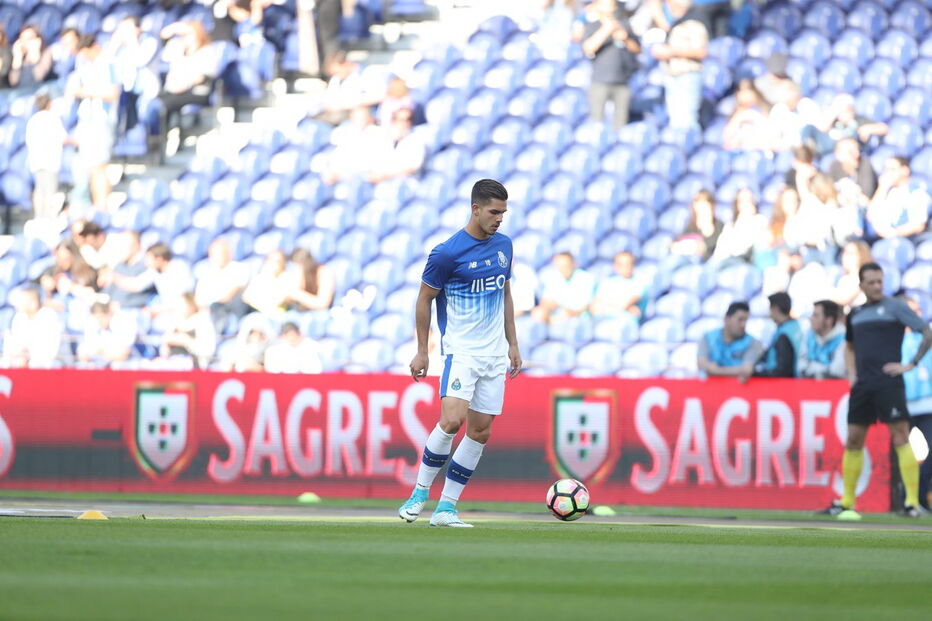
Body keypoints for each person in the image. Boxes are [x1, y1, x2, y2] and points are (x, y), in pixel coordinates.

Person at [399, 179, 522, 528]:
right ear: (476, 209)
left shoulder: (504, 246)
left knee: (480, 432)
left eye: (503, 213)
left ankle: (446, 508)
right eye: (494, 212)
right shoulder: (447, 254)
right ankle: (420, 493)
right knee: (452, 420)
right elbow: (424, 299)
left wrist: (513, 343)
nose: (499, 219)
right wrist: (422, 351)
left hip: (494, 355)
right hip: (462, 351)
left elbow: (505, 293)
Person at [820, 263, 932, 518]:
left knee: (901, 437)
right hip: (863, 386)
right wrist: (852, 375)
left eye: (880, 281)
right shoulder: (856, 313)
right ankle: (847, 502)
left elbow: (927, 333)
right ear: (861, 285)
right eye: (871, 282)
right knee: (853, 439)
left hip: (888, 383)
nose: (877, 286)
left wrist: (910, 364)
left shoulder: (895, 307)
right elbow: (849, 347)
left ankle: (911, 503)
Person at [66, 35, 120, 213]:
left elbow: (112, 94)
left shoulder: (108, 64)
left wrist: (84, 91)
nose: (85, 57)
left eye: (86, 53)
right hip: (88, 120)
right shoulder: (89, 67)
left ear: (94, 47)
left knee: (99, 166)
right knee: (91, 167)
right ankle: (97, 206)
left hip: (101, 120)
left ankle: (102, 207)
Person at [572, 0, 640, 130]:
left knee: (621, 124)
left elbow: (637, 49)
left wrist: (625, 38)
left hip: (623, 80)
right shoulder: (593, 24)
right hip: (600, 80)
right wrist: (607, 29)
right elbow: (588, 48)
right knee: (597, 123)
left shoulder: (624, 23)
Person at [896, 292, 932, 510]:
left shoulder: (927, 336)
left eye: (918, 311)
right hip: (903, 404)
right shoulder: (893, 339)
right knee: (901, 452)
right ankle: (905, 501)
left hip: (928, 404)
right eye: (912, 311)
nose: (917, 315)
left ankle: (918, 495)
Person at [652, 0, 708, 129]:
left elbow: (702, 52)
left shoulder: (694, 23)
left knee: (687, 120)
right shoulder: (675, 24)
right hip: (673, 76)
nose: (669, 9)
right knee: (676, 121)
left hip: (687, 76)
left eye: (672, 6)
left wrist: (671, 51)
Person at [801, 93, 888, 157]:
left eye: (846, 109)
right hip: (824, 151)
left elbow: (884, 128)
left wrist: (868, 128)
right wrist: (833, 113)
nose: (843, 112)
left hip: (846, 155)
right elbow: (822, 127)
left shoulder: (859, 121)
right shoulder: (833, 121)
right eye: (840, 109)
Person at [195, 238, 251, 334]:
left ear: (229, 254)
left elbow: (230, 295)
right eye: (215, 254)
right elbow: (199, 300)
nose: (218, 257)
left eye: (221, 253)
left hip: (231, 312)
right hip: (209, 313)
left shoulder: (240, 269)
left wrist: (212, 301)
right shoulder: (206, 274)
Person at [866, 156, 930, 240]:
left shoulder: (916, 193)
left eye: (892, 169)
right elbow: (870, 216)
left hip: (906, 240)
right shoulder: (886, 192)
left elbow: (918, 225)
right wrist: (881, 188)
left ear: (905, 171)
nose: (887, 174)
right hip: (882, 239)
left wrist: (894, 233)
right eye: (886, 170)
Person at [25, 93, 68, 220]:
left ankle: (39, 216)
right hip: (51, 159)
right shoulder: (52, 118)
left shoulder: (33, 120)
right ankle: (48, 217)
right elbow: (63, 138)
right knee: (50, 189)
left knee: (39, 189)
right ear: (49, 104)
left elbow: (28, 141)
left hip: (36, 160)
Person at [697, 301, 762, 381]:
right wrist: (737, 370)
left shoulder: (753, 343)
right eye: (740, 320)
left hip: (739, 388)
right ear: (727, 319)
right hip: (710, 387)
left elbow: (747, 370)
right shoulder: (708, 338)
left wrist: (715, 370)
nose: (743, 325)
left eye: (746, 320)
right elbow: (701, 364)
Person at [1, 287, 62, 369]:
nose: (18, 304)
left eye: (22, 301)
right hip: (20, 361)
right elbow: (14, 343)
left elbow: (52, 349)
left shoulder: (49, 316)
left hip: (45, 364)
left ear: (34, 303)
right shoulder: (19, 317)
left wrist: (28, 356)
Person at [531, 251, 596, 323]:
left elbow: (585, 306)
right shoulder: (553, 278)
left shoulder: (586, 278)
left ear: (574, 264)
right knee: (538, 313)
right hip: (556, 314)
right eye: (559, 266)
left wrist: (568, 312)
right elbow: (545, 301)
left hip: (577, 316)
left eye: (566, 266)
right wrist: (549, 305)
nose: (563, 269)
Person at [367, 107, 426, 184]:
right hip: (383, 181)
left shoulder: (417, 140)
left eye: (408, 119)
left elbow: (413, 168)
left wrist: (386, 176)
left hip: (404, 183)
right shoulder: (384, 138)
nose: (404, 123)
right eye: (400, 119)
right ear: (393, 121)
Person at [98, 230, 154, 310]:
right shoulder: (119, 266)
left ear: (136, 246)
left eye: (123, 246)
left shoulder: (148, 265)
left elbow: (140, 290)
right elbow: (106, 294)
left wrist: (121, 305)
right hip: (111, 312)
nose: (119, 249)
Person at [160, 292, 217, 369]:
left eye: (182, 304)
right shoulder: (174, 324)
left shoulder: (202, 322)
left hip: (193, 367)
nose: (179, 308)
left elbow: (207, 351)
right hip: (172, 364)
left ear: (191, 305)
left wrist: (186, 341)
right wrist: (166, 344)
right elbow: (164, 351)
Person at [77, 300, 138, 368]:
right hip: (100, 366)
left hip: (125, 366)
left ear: (109, 314)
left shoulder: (124, 325)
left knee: (117, 365)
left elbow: (123, 355)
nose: (98, 321)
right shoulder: (92, 327)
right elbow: (83, 355)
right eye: (96, 318)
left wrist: (100, 353)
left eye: (101, 317)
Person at [755, 292, 802, 377]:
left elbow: (782, 370)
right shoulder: (795, 327)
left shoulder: (783, 335)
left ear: (775, 309)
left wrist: (756, 374)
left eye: (770, 309)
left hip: (781, 382)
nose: (769, 313)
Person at [590, 251, 647, 320]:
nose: (626, 267)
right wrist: (626, 308)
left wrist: (606, 305)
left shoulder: (640, 282)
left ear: (633, 265)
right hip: (604, 320)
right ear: (615, 266)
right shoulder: (607, 282)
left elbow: (624, 305)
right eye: (621, 264)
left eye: (629, 264)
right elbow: (595, 307)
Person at [798, 299, 847, 379]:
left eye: (815, 315)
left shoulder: (843, 339)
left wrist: (812, 369)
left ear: (829, 320)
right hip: (808, 385)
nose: (811, 318)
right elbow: (801, 367)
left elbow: (837, 372)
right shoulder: (809, 336)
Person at [671, 189, 723, 260]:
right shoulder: (691, 227)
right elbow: (674, 245)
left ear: (712, 206)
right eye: (698, 203)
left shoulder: (720, 226)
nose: (702, 208)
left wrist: (703, 248)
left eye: (705, 203)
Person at [723, 78, 770, 151]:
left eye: (748, 89)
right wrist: (739, 118)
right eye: (741, 90)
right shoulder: (735, 113)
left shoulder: (762, 111)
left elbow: (767, 135)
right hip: (738, 151)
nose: (745, 94)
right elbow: (728, 137)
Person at [830, 240, 872, 310]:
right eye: (843, 252)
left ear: (861, 255)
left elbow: (844, 299)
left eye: (849, 253)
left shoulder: (864, 277)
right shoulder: (843, 278)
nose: (844, 256)